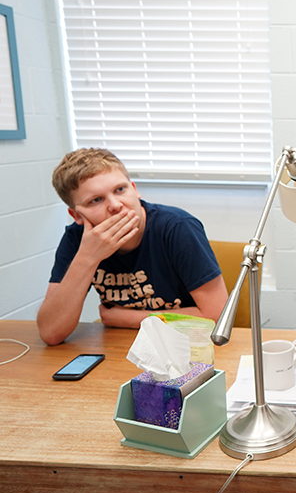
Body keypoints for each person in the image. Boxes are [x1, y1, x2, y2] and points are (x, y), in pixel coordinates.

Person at [37, 148, 228, 345]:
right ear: (76, 215)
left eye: (120, 190)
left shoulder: (177, 227)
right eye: (96, 200)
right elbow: (51, 332)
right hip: (123, 346)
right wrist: (87, 257)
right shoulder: (77, 240)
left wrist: (127, 319)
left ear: (134, 189)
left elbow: (217, 317)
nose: (116, 205)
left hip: (185, 345)